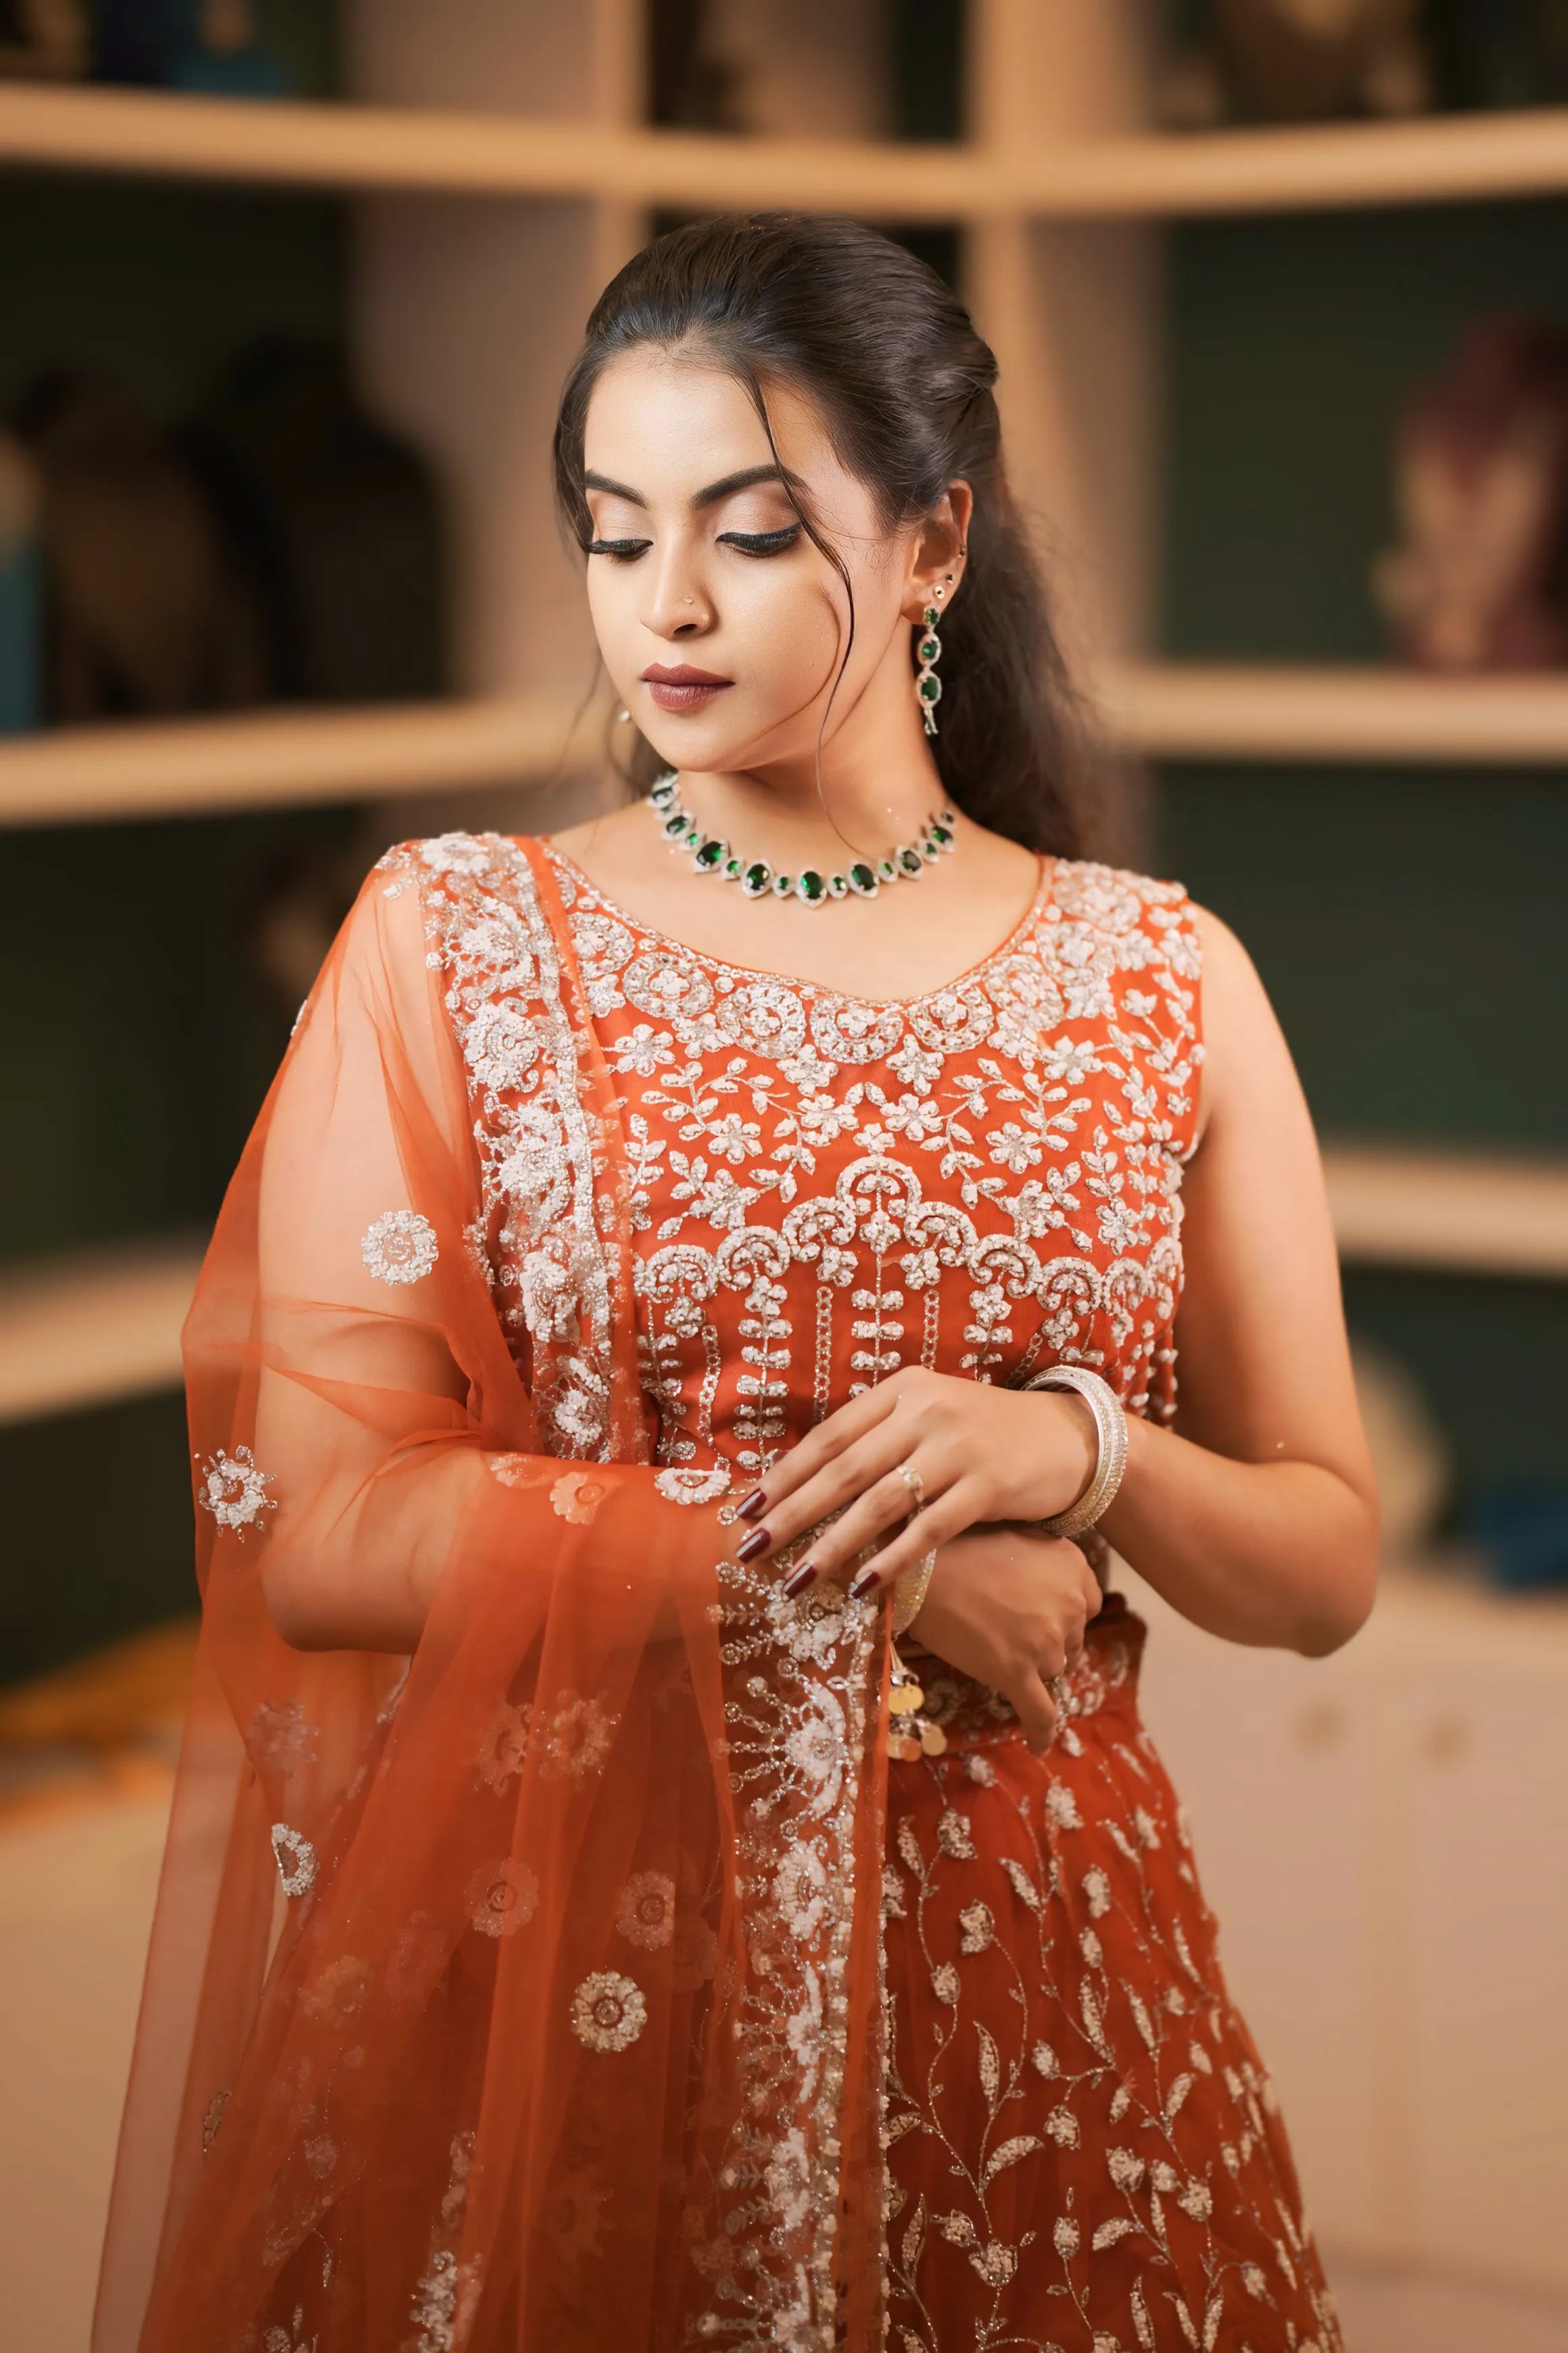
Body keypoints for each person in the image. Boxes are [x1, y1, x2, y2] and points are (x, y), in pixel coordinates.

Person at [94, 213, 1377, 2353]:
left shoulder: (1162, 976)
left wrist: (1074, 1454)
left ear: (935, 542)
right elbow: (321, 1529)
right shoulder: (459, 945)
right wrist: (865, 1575)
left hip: (1048, 1996)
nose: (663, 605)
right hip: (584, 1974)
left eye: (752, 534)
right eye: (616, 535)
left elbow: (1319, 1560)